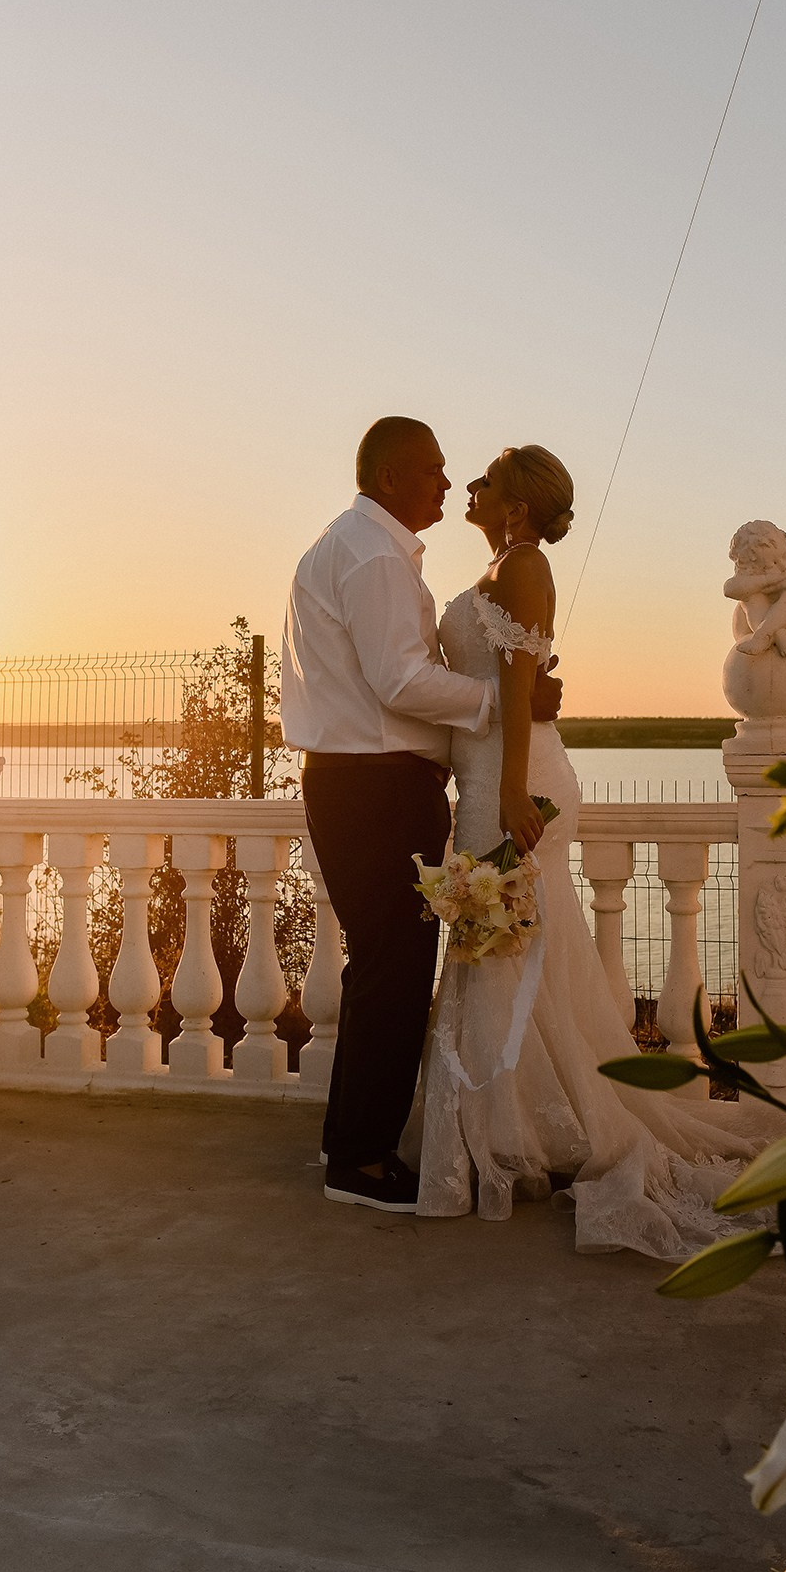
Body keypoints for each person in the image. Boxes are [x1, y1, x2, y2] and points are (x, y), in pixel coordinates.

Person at [406, 446, 786, 1256]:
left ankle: (498, 1142)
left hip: (512, 781)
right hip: (488, 775)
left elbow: (519, 689)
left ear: (515, 505)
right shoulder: (497, 568)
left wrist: (511, 793)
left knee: (502, 943)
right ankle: (511, 1133)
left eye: (485, 479)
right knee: (509, 955)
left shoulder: (523, 567)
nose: (470, 489)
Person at [280, 416, 561, 1213]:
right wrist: (507, 702)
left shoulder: (354, 546)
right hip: (375, 787)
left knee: (380, 970)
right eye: (435, 470)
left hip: (359, 781)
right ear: (395, 477)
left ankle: (352, 1145)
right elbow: (400, 682)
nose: (447, 482)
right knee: (393, 975)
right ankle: (361, 1164)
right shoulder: (372, 557)